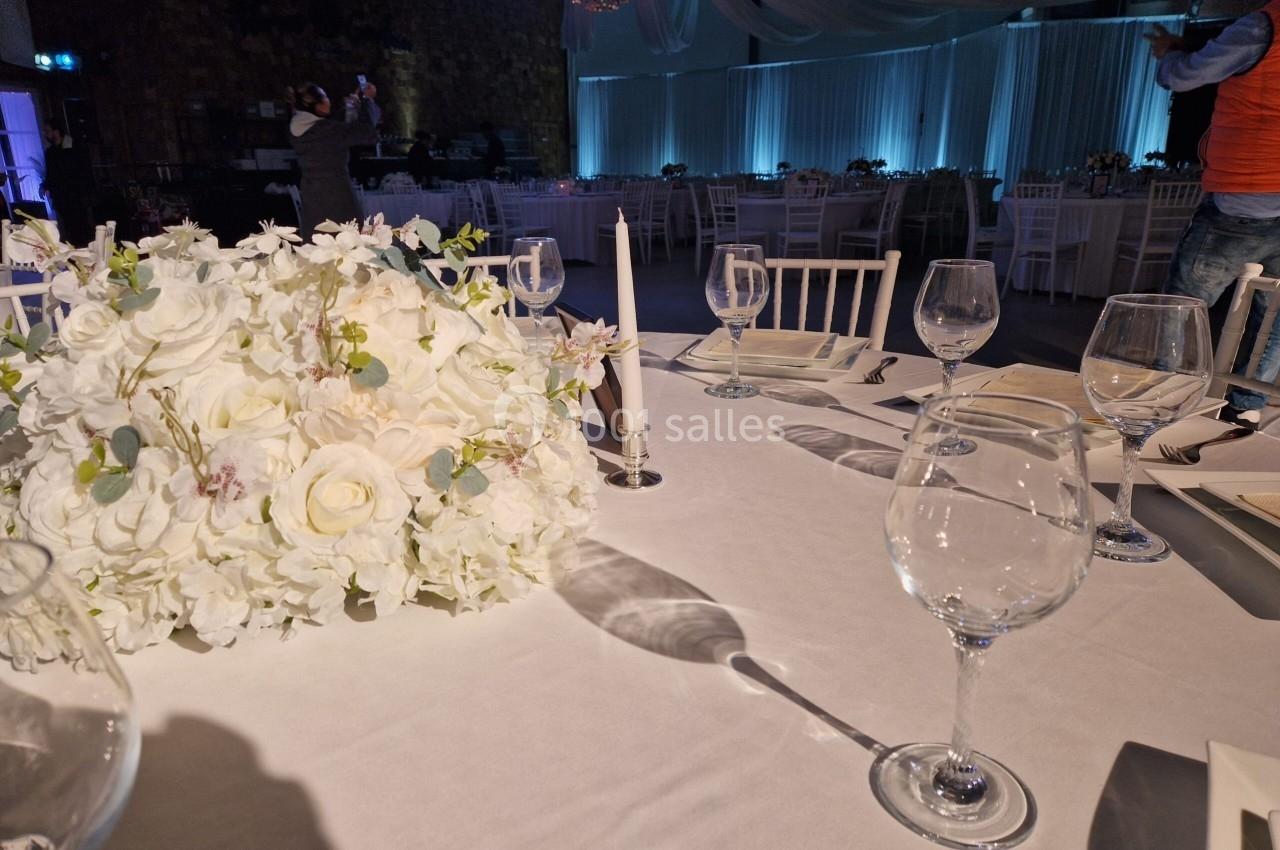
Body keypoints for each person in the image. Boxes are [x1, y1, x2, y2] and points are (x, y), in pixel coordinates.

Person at [1149, 14, 1280, 428]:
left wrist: (1170, 55)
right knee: (1275, 317)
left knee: (1183, 310)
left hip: (1247, 195)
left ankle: (1164, 406)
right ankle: (1246, 408)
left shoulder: (1263, 26)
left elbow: (1185, 77)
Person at [287, 80, 381, 237]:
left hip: (312, 195)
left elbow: (330, 129)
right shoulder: (326, 130)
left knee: (318, 242)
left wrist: (348, 109)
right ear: (316, 105)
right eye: (325, 97)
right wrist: (367, 100)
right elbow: (368, 133)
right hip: (337, 193)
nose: (328, 100)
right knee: (347, 240)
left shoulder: (296, 129)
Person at [40, 122, 93, 244]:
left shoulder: (73, 147)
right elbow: (51, 173)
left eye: (48, 131)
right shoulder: (50, 152)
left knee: (81, 223)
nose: (46, 134)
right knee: (68, 225)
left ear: (56, 131)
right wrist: (46, 186)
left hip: (76, 194)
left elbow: (81, 170)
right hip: (61, 196)